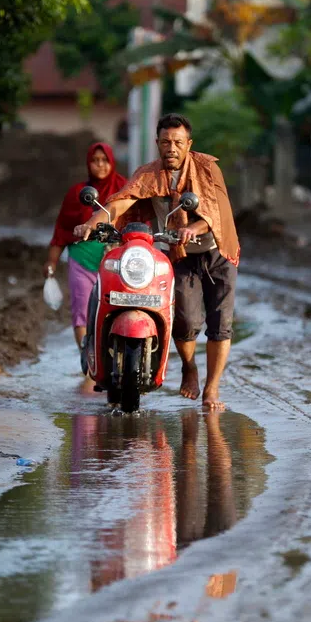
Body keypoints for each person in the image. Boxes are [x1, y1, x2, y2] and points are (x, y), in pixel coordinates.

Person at [73, 114, 240, 411]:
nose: (171, 148)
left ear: (189, 144)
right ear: (157, 144)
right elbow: (120, 202)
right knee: (185, 322)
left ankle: (212, 390)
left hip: (215, 250)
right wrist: (92, 222)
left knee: (221, 325)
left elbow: (215, 213)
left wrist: (193, 228)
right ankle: (189, 366)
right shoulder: (148, 174)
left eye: (177, 142)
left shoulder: (207, 170)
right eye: (165, 142)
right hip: (178, 252)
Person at [46, 143, 128, 350]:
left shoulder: (125, 190)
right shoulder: (77, 193)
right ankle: (88, 360)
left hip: (116, 262)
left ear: (112, 162)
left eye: (105, 160)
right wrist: (51, 262)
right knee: (81, 311)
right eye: (95, 160)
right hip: (82, 260)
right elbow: (61, 230)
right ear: (88, 164)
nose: (100, 165)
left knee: (117, 308)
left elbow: (138, 225)